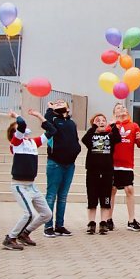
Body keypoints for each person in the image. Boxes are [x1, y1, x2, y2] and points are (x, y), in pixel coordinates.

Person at [2, 109, 57, 250]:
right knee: (29, 214)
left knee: (47, 214)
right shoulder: (16, 143)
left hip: (31, 185)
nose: (24, 130)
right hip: (19, 185)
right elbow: (21, 124)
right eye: (20, 130)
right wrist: (16, 116)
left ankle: (25, 234)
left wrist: (39, 116)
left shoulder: (33, 143)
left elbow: (51, 131)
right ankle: (11, 238)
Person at [43, 99, 81, 238]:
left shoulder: (71, 123)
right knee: (51, 195)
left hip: (69, 164)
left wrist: (77, 150)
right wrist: (50, 109)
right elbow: (46, 123)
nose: (58, 103)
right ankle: (48, 226)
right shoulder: (52, 119)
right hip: (55, 163)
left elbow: (75, 139)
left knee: (63, 196)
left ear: (68, 108)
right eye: (56, 103)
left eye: (61, 102)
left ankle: (60, 225)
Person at [80, 113, 121, 235]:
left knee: (105, 198)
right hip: (93, 172)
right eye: (98, 121)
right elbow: (84, 140)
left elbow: (118, 139)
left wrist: (113, 125)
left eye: (104, 120)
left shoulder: (110, 136)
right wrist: (93, 127)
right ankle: (91, 223)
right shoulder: (91, 135)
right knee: (92, 198)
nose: (101, 122)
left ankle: (103, 222)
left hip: (107, 171)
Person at [109, 103, 140, 232]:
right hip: (112, 164)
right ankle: (108, 219)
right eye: (118, 107)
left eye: (123, 107)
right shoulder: (110, 126)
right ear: (114, 112)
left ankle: (131, 220)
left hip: (127, 164)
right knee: (111, 190)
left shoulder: (134, 126)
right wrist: (112, 125)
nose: (122, 109)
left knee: (129, 190)